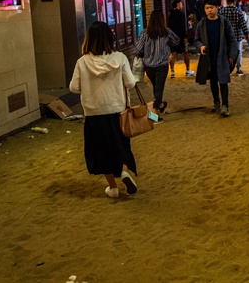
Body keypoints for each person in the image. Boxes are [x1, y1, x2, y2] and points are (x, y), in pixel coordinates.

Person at [69, 21, 138, 199]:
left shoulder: (82, 62)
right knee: (120, 146)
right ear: (110, 38)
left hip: (93, 113)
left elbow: (73, 88)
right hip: (117, 110)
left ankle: (113, 188)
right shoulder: (120, 58)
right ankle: (123, 171)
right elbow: (130, 83)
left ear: (89, 39)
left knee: (101, 151)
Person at [194, 0, 239, 117]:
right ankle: (216, 102)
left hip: (222, 57)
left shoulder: (224, 22)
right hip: (209, 57)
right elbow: (196, 40)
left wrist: (232, 56)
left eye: (211, 8)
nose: (209, 10)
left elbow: (232, 40)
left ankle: (225, 106)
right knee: (213, 81)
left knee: (223, 81)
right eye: (207, 8)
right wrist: (200, 47)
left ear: (217, 8)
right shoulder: (201, 24)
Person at [135, 10, 180, 121]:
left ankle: (159, 105)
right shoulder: (167, 32)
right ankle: (155, 114)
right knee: (159, 89)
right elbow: (176, 42)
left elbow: (138, 48)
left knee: (157, 87)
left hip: (148, 65)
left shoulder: (145, 33)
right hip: (162, 64)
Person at [219, 0, 249, 76]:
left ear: (226, 1)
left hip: (225, 36)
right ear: (234, 1)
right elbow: (243, 24)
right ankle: (238, 69)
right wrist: (247, 34)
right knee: (238, 53)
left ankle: (226, 69)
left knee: (226, 52)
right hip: (237, 35)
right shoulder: (238, 11)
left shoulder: (222, 11)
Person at [167, 0, 195, 78]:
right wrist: (185, 37)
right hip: (180, 36)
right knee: (185, 53)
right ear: (178, 4)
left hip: (172, 37)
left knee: (173, 53)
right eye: (181, 4)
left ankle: (172, 71)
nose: (182, 5)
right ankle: (188, 70)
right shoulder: (181, 14)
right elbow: (182, 27)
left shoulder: (170, 14)